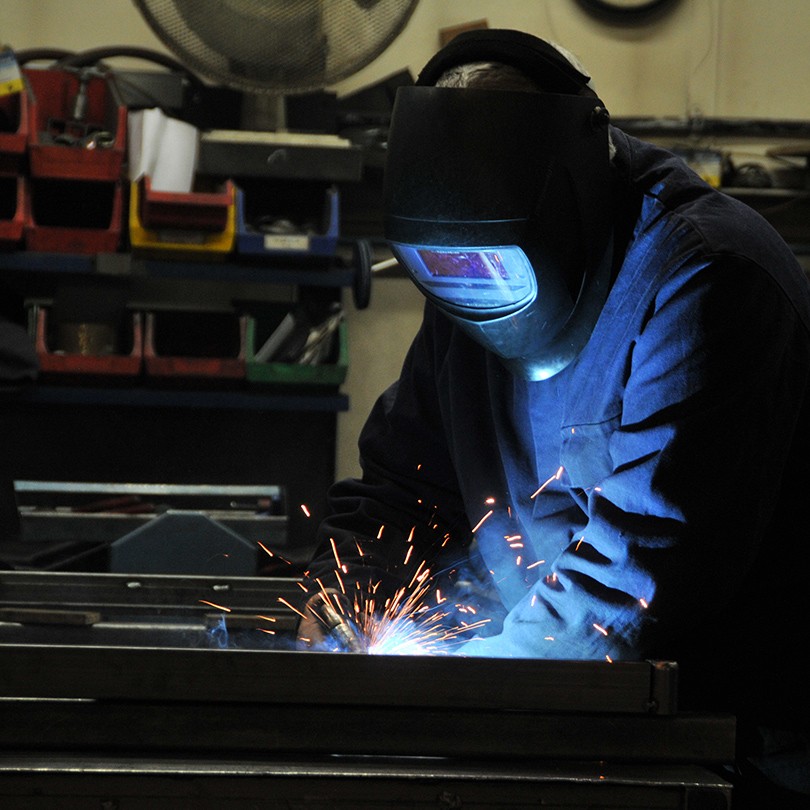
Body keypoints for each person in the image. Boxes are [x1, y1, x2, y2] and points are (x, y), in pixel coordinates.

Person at [298, 29, 810, 806]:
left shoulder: (707, 280)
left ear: (572, 198)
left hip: (740, 751)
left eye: (492, 268)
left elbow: (629, 591)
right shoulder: (466, 272)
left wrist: (442, 690)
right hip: (568, 722)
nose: (474, 297)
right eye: (445, 275)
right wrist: (345, 606)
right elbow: (404, 487)